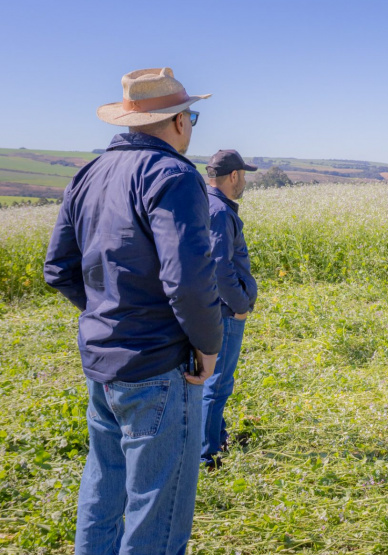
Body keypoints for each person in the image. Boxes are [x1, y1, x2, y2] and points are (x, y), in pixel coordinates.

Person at [43, 67, 223, 555]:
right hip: (159, 367)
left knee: (103, 487)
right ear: (180, 121)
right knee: (156, 510)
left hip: (101, 362)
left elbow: (59, 268)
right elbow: (186, 279)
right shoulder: (174, 175)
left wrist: (108, 310)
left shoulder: (89, 174)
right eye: (192, 116)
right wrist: (209, 346)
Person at [200, 149, 259, 469]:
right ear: (233, 176)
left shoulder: (204, 203)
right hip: (225, 311)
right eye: (244, 175)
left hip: (211, 307)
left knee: (212, 380)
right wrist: (239, 306)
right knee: (218, 383)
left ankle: (215, 437)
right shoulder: (221, 212)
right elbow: (221, 267)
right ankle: (206, 455)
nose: (245, 181)